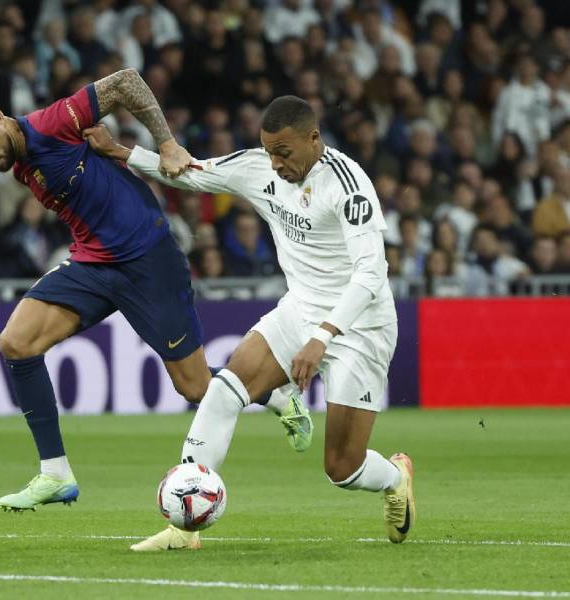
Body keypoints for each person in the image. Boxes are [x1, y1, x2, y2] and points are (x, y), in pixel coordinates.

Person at [0, 69, 310, 513]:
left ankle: (275, 395)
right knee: (15, 342)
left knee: (193, 387)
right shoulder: (18, 161)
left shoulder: (53, 122)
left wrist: (167, 143)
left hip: (147, 258)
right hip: (94, 263)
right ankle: (55, 473)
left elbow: (126, 82)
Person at [84, 94, 414, 551]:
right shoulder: (260, 166)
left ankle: (395, 476)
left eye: (284, 151)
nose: (275, 163)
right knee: (222, 391)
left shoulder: (348, 183)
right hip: (299, 310)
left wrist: (322, 339)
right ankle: (184, 527)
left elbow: (371, 274)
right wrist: (122, 153)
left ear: (313, 138)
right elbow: (192, 174)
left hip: (359, 328)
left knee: (342, 468)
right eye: (269, 150)